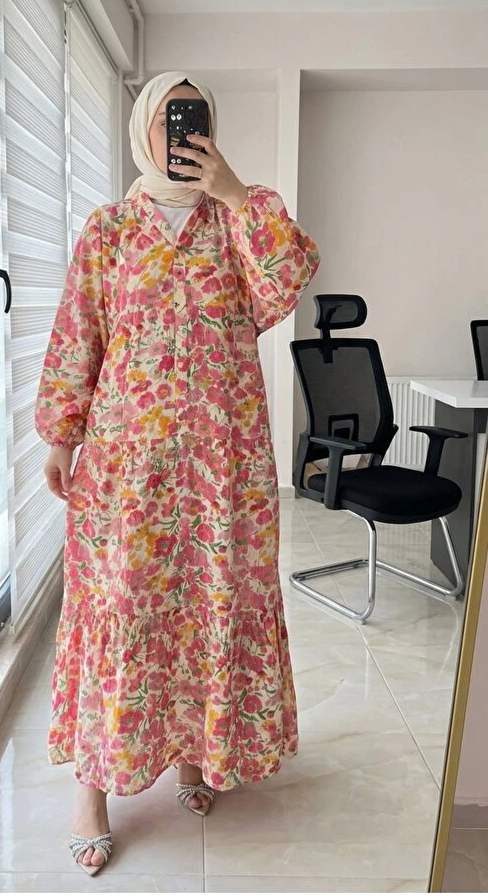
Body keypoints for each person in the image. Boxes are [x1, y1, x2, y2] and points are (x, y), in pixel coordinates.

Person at [34, 70, 321, 875]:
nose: (181, 133)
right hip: (126, 468)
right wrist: (60, 435)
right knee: (123, 609)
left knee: (208, 604)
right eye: (168, 118)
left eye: (193, 119)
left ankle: (195, 754)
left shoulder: (237, 224)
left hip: (222, 467)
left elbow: (289, 277)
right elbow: (79, 331)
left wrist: (234, 191)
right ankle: (92, 791)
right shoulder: (110, 228)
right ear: (142, 128)